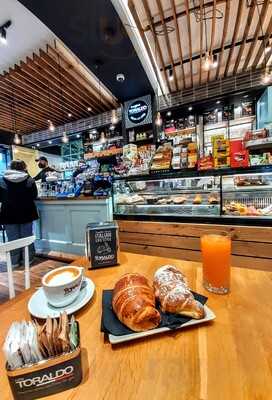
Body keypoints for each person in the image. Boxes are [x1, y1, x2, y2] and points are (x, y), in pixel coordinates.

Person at [0, 160, 38, 267]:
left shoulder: (2, 180)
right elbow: (34, 195)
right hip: (26, 212)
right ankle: (28, 259)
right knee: (27, 237)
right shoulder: (29, 180)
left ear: (10, 167)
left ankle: (14, 262)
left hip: (8, 213)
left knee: (12, 238)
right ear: (24, 167)